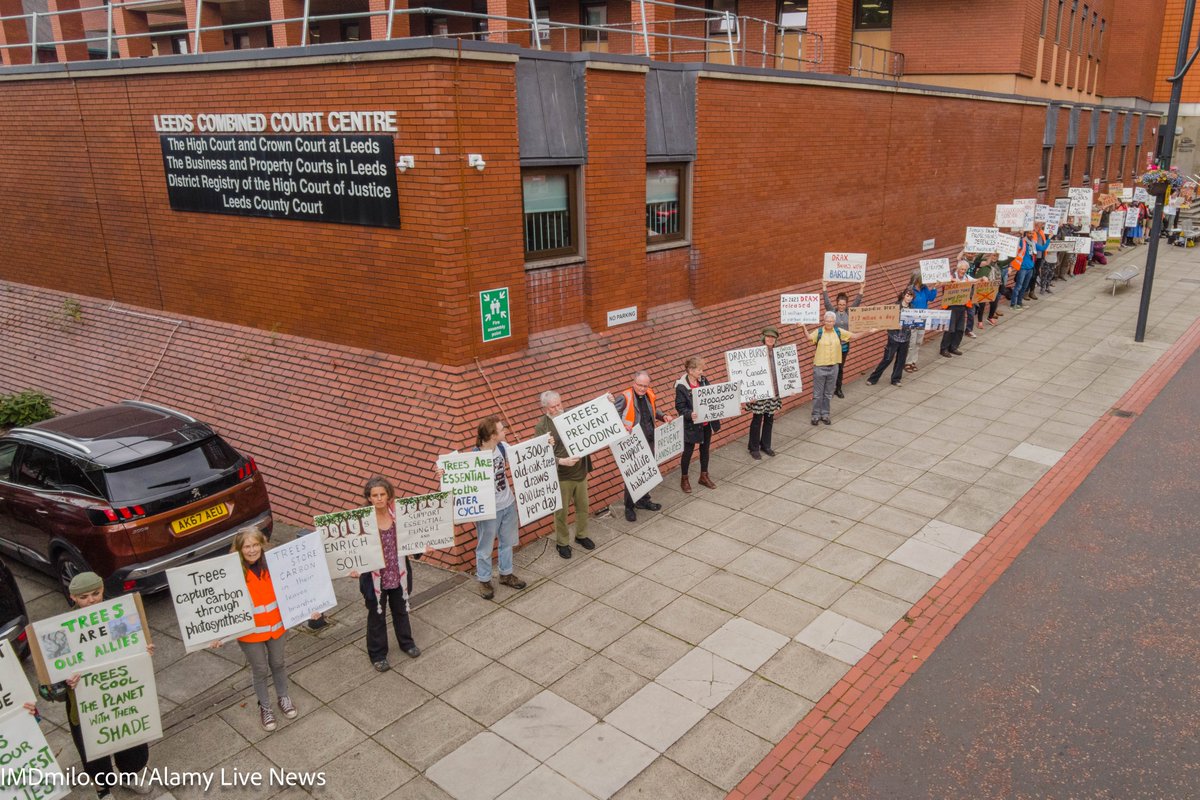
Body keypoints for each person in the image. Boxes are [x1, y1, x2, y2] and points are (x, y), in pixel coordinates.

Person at [36, 572, 153, 798]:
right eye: (84, 596)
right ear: (73, 598)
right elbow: (47, 685)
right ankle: (103, 790)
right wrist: (64, 680)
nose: (91, 600)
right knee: (94, 751)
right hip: (84, 705)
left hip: (121, 694)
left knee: (129, 740)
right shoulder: (59, 631)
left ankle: (129, 776)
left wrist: (143, 651)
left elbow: (133, 649)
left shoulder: (119, 616)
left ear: (102, 590)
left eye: (96, 593)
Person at [211, 527, 309, 732]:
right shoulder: (230, 574)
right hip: (251, 634)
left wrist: (309, 609)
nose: (252, 550)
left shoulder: (275, 565)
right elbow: (220, 606)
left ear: (262, 545)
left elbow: (297, 588)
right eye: (247, 546)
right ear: (239, 549)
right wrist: (217, 635)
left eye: (255, 545)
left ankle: (283, 697)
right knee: (260, 669)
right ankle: (265, 707)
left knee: (278, 663)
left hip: (277, 627)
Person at [356, 476, 420, 671]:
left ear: (389, 495)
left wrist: (423, 546)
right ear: (368, 497)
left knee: (401, 611)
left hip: (397, 575)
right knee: (377, 617)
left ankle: (406, 643)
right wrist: (354, 568)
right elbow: (354, 551)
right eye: (374, 495)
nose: (379, 498)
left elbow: (412, 541)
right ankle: (377, 654)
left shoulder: (399, 516)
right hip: (374, 580)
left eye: (382, 494)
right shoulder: (361, 522)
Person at [467, 417, 527, 599]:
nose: (505, 431)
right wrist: (443, 473)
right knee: (485, 546)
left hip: (507, 503)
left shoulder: (502, 448)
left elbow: (525, 453)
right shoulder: (474, 456)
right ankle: (484, 580)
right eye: (502, 430)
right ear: (493, 435)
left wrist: (546, 445)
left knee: (507, 542)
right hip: (488, 510)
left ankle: (506, 574)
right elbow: (458, 478)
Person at [534, 391, 595, 560]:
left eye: (559, 404)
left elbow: (595, 421)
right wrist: (561, 461)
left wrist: (609, 401)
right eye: (553, 407)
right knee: (561, 512)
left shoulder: (570, 415)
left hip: (580, 471)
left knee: (583, 507)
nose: (558, 408)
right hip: (562, 476)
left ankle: (581, 535)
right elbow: (539, 455)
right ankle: (562, 542)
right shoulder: (542, 427)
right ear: (545, 408)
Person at [613, 371, 674, 522]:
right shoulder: (625, 397)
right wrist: (622, 427)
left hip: (649, 438)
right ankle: (629, 506)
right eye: (639, 385)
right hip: (633, 443)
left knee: (647, 471)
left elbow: (653, 411)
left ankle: (644, 500)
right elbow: (613, 416)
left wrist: (663, 416)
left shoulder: (649, 394)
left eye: (645, 386)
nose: (642, 388)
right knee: (632, 475)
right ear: (634, 383)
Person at [803, 312, 872, 425]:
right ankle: (815, 415)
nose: (829, 323)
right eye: (827, 321)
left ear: (834, 322)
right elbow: (809, 338)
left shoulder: (839, 332)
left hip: (833, 367)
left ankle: (825, 414)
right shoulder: (819, 332)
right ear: (824, 321)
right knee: (817, 394)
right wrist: (803, 327)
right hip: (820, 367)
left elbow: (854, 336)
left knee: (828, 393)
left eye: (831, 321)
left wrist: (867, 331)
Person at [674, 356, 720, 492]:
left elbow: (713, 397)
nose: (702, 371)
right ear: (690, 370)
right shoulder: (681, 387)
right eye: (699, 369)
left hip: (705, 423)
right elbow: (680, 407)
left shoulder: (704, 381)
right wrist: (689, 414)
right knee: (688, 452)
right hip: (691, 426)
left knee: (705, 450)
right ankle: (684, 479)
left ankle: (704, 476)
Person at [822, 280, 865, 398]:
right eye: (839, 304)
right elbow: (826, 302)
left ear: (846, 304)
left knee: (840, 368)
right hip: (832, 346)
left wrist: (861, 288)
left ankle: (838, 388)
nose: (841, 306)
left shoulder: (849, 312)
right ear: (837, 304)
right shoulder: (832, 312)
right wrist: (824, 286)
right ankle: (828, 390)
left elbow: (857, 302)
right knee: (831, 368)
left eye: (843, 304)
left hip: (844, 346)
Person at [866, 287, 915, 386]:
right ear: (903, 295)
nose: (909, 298)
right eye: (908, 296)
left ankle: (896, 379)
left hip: (905, 338)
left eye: (911, 296)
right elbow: (887, 321)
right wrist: (876, 329)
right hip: (894, 337)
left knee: (901, 360)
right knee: (887, 358)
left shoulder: (912, 309)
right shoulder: (895, 307)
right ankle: (873, 378)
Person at [747, 327, 783, 459]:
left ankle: (766, 445)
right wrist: (749, 394)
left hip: (773, 391)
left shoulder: (779, 353)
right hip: (760, 392)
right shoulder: (755, 354)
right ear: (763, 338)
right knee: (757, 420)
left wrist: (789, 387)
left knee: (769, 419)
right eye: (768, 337)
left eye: (772, 338)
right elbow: (748, 375)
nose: (770, 339)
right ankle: (753, 447)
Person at [905, 271, 939, 373]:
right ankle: (907, 362)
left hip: (922, 318)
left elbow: (931, 298)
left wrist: (934, 287)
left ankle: (913, 361)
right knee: (912, 341)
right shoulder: (910, 290)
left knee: (918, 341)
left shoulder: (924, 289)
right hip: (912, 318)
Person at [940, 259, 975, 358]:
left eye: (965, 269)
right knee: (950, 329)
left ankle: (953, 347)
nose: (963, 271)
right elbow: (943, 283)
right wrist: (952, 281)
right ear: (958, 268)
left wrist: (983, 278)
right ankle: (944, 349)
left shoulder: (967, 278)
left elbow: (975, 281)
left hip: (962, 306)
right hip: (951, 306)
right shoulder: (951, 276)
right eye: (961, 269)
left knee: (959, 329)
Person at [1009, 230, 1037, 309]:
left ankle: (1019, 303)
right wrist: (1021, 235)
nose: (1031, 235)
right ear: (1026, 234)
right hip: (1022, 268)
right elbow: (1018, 243)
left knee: (1024, 287)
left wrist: (1049, 238)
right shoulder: (1023, 241)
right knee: (1018, 286)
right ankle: (1013, 304)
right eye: (1029, 233)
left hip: (1030, 268)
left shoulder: (1033, 243)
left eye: (1032, 233)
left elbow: (1042, 248)